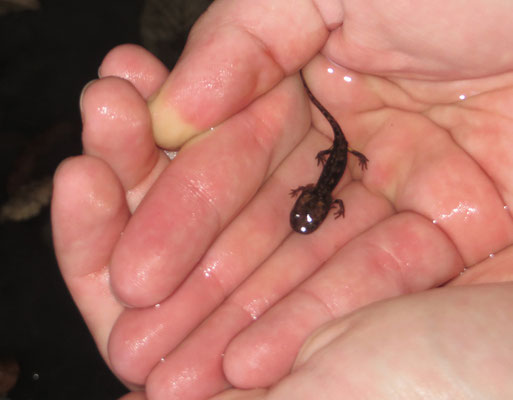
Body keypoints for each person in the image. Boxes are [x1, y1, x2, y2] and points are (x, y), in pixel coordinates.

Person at [51, 0, 513, 399]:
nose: (307, 213)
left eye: (307, 212)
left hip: (340, 152)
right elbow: (324, 195)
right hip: (335, 154)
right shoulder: (320, 194)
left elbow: (328, 193)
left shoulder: (324, 191)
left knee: (336, 149)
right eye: (307, 212)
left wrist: (347, 165)